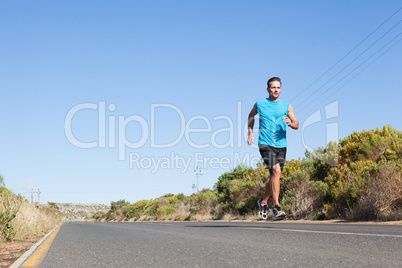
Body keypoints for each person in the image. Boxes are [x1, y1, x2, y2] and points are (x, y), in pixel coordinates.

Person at [247, 77, 299, 219]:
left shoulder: (286, 105)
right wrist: (250, 133)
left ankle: (263, 202)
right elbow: (251, 116)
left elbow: (296, 124)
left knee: (274, 175)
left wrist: (290, 123)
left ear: (280, 89)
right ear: (268, 89)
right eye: (273, 87)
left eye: (278, 88)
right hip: (265, 144)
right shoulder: (260, 104)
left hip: (281, 145)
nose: (276, 90)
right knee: (276, 171)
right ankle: (276, 206)